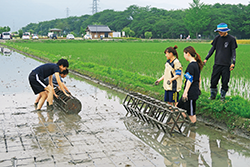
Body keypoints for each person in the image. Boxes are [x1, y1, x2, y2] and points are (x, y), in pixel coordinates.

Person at [203, 23, 238, 101]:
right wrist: (206, 58)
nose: (219, 33)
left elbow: (233, 52)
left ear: (226, 31)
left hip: (226, 65)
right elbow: (212, 49)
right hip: (217, 64)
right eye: (218, 31)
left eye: (221, 31)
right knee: (213, 81)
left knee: (225, 82)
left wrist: (233, 63)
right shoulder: (217, 38)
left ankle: (222, 97)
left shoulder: (231, 39)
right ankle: (213, 96)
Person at [177, 46, 203, 126]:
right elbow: (199, 78)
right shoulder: (196, 64)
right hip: (192, 90)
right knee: (179, 107)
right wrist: (198, 88)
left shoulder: (192, 65)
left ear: (188, 54)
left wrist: (185, 93)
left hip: (191, 93)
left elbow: (190, 80)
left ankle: (193, 129)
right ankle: (186, 122)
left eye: (184, 54)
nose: (184, 56)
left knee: (191, 112)